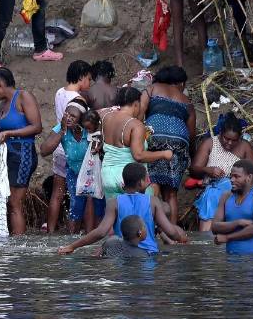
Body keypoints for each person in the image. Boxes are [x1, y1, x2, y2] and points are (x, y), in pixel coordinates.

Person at [58, 163, 188, 255]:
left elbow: (101, 232)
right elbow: (171, 232)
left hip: (122, 254)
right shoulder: (152, 201)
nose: (148, 182)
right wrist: (181, 236)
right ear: (140, 183)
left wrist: (72, 246)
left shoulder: (114, 202)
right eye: (146, 179)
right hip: (148, 254)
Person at [139, 66, 197, 224]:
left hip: (154, 137)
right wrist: (192, 159)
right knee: (171, 194)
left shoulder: (151, 89)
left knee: (153, 185)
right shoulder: (188, 103)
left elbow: (139, 114)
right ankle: (172, 234)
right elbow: (191, 135)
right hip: (179, 143)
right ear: (179, 83)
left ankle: (148, 229)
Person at [0, 68, 42, 235]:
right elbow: (0, 131)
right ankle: (9, 240)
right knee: (6, 201)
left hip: (23, 155)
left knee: (14, 202)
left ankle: (17, 245)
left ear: (0, 84)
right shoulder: (3, 105)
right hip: (8, 156)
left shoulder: (23, 97)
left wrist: (10, 133)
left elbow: (37, 127)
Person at [189, 114, 253, 231]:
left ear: (240, 137)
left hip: (235, 189)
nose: (229, 143)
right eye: (226, 139)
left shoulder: (245, 146)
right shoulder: (210, 143)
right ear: (220, 133)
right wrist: (208, 170)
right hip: (213, 188)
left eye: (234, 140)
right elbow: (193, 169)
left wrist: (241, 174)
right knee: (212, 196)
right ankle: (205, 241)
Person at [99, 87, 173, 198]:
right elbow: (138, 155)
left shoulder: (105, 115)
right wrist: (163, 154)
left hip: (107, 176)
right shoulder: (135, 125)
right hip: (129, 178)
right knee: (151, 195)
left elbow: (93, 113)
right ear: (136, 104)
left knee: (116, 212)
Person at [41, 99, 102, 233]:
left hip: (92, 172)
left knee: (92, 201)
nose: (68, 118)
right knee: (76, 207)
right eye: (66, 114)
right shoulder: (62, 128)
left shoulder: (89, 127)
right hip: (74, 172)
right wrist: (62, 131)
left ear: (81, 119)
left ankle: (91, 236)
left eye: (73, 116)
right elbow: (44, 150)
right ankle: (72, 238)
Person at [45, 61, 92, 233]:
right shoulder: (79, 100)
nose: (89, 83)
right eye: (88, 79)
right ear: (81, 77)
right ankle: (86, 231)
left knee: (57, 193)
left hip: (59, 145)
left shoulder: (59, 92)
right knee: (85, 196)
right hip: (75, 149)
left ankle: (50, 230)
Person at [210, 160, 253, 253]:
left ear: (249, 177)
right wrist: (237, 223)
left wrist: (228, 237)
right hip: (231, 258)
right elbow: (214, 227)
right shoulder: (226, 196)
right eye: (231, 176)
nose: (232, 180)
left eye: (237, 177)